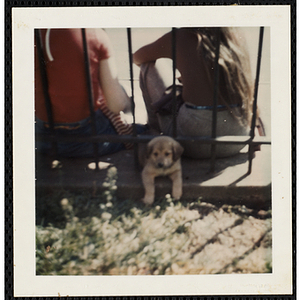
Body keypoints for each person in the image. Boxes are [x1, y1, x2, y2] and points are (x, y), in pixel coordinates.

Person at [133, 27, 264, 159]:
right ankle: (258, 133)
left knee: (148, 65)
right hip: (238, 139)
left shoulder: (179, 36)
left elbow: (137, 57)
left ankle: (154, 132)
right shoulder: (233, 34)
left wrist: (186, 68)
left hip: (191, 142)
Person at [35, 28, 146, 158]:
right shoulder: (94, 34)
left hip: (41, 138)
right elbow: (116, 105)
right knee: (141, 130)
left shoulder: (32, 32)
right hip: (86, 138)